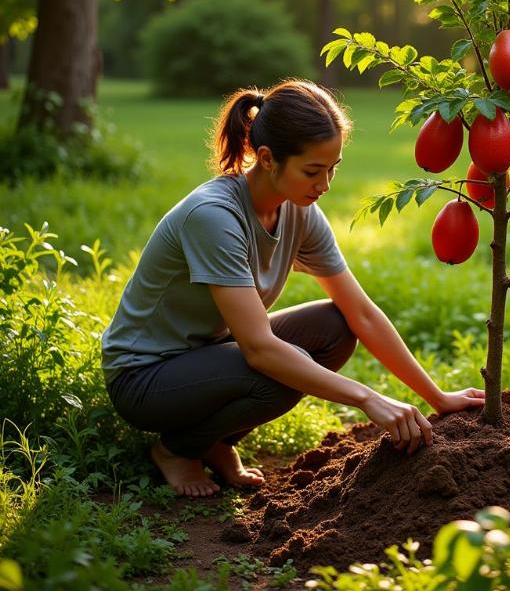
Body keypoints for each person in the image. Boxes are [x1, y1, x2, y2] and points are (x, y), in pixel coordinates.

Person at [101, 80, 485, 497]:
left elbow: (362, 313)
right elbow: (259, 349)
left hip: (207, 355)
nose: (325, 185)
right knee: (280, 371)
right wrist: (367, 398)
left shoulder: (299, 212)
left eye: (333, 168)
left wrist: (437, 395)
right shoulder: (214, 217)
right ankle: (177, 450)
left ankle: (216, 441)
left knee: (335, 326)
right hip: (144, 376)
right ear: (267, 159)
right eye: (312, 171)